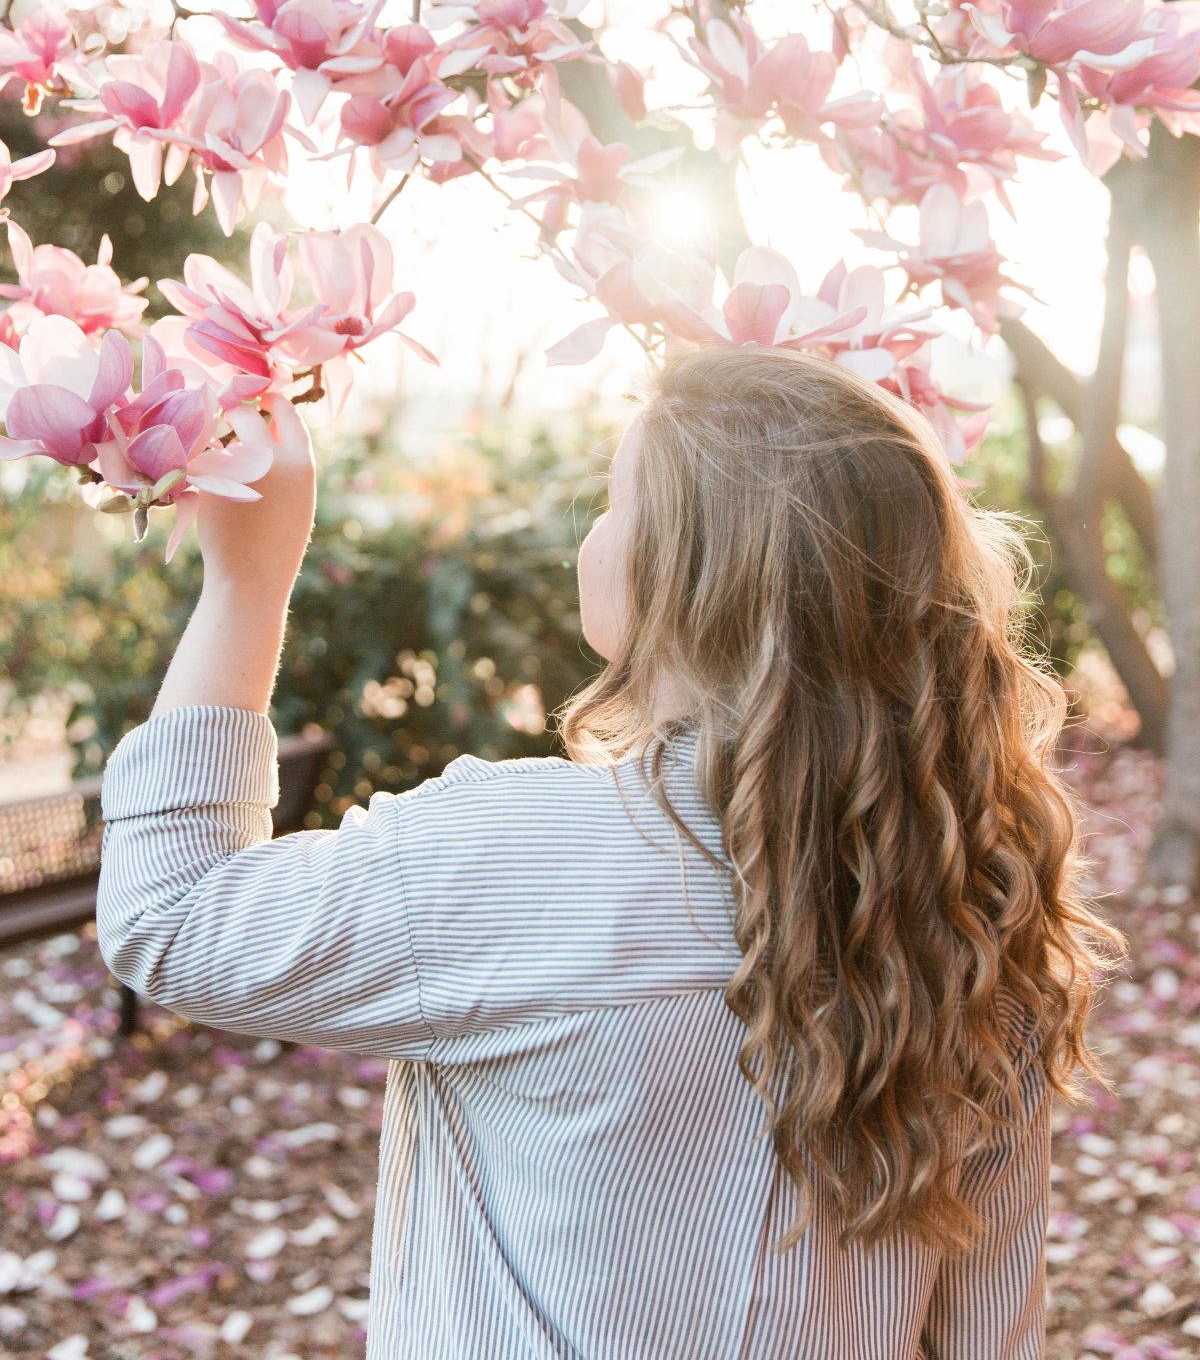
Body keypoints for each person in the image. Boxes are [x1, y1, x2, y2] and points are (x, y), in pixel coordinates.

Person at [96, 345, 1126, 1359]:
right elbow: (989, 1334)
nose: (592, 535)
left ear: (683, 572)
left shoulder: (515, 860)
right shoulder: (976, 908)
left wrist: (246, 584)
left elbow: (169, 915)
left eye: (615, 500)